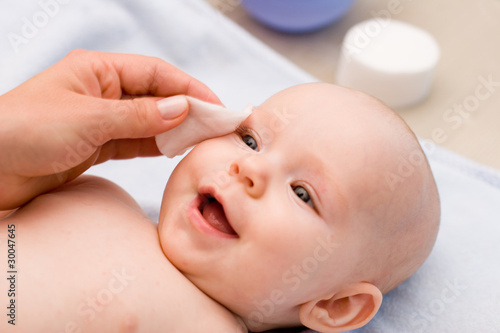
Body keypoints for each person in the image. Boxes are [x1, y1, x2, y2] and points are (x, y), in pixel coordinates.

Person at [0, 50, 440, 333]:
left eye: (303, 193)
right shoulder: (93, 188)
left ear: (336, 305)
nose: (249, 168)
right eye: (250, 139)